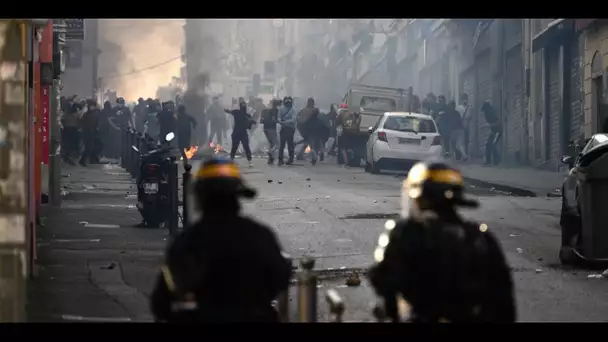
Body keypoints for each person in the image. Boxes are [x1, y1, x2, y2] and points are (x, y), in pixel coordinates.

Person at [368, 161, 515, 323]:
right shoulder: (481, 239)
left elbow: (382, 280)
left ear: (419, 198)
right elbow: (505, 305)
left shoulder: (406, 234)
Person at [149, 157, 292, 322]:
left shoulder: (187, 241)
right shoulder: (260, 235)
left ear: (200, 196)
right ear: (237, 195)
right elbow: (280, 277)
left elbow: (162, 301)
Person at [225, 98, 254, 167]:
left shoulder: (245, 115)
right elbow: (229, 111)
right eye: (242, 105)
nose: (243, 107)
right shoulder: (240, 113)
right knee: (235, 147)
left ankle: (249, 161)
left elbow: (249, 127)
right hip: (237, 133)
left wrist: (250, 122)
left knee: (246, 147)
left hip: (241, 133)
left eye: (244, 105)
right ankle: (232, 160)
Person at [296, 97, 322, 165]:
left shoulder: (303, 110)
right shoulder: (315, 110)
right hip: (312, 130)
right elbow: (319, 120)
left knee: (307, 142)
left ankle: (300, 155)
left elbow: (298, 119)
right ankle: (314, 158)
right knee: (311, 144)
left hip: (303, 129)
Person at [79, 99, 101, 166]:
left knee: (90, 147)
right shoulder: (88, 114)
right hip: (88, 132)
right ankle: (83, 160)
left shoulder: (92, 114)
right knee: (89, 147)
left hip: (90, 132)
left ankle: (89, 159)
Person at [277, 96, 297, 166]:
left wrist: (283, 122)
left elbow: (293, 120)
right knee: (282, 145)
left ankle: (290, 159)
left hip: (290, 128)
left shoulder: (293, 109)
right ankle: (280, 160)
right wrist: (281, 122)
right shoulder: (281, 109)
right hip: (284, 128)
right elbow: (278, 118)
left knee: (290, 145)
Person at [481, 101, 501, 165]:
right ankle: (489, 161)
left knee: (492, 145)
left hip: (498, 131)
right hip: (494, 131)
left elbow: (498, 123)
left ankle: (497, 160)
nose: (484, 112)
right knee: (489, 145)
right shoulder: (490, 112)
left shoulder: (491, 113)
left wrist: (488, 125)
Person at [261, 99, 280, 164]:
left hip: (265, 128)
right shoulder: (276, 111)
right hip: (271, 129)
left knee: (271, 144)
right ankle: (271, 152)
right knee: (277, 144)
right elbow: (276, 120)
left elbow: (262, 120)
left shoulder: (266, 110)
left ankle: (270, 159)